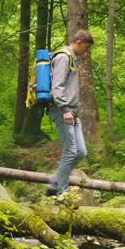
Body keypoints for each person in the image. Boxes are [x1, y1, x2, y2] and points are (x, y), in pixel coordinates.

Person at [46, 29, 94, 197]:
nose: (86, 52)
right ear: (79, 42)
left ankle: (55, 183)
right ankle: (62, 191)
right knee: (71, 151)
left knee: (81, 152)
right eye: (86, 48)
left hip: (72, 112)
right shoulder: (63, 57)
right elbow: (57, 87)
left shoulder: (71, 58)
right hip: (62, 110)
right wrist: (65, 109)